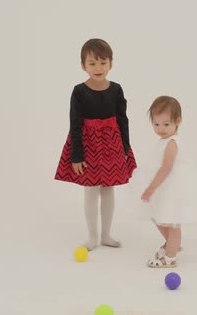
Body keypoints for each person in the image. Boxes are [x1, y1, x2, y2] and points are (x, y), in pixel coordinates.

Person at [55, 38, 136, 251]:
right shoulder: (79, 91)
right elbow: (74, 124)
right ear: (83, 66)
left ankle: (106, 234)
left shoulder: (116, 89)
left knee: (108, 189)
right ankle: (92, 237)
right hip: (88, 145)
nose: (98, 68)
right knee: (91, 190)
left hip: (111, 145)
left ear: (111, 63)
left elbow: (122, 119)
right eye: (92, 63)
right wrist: (76, 156)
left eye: (102, 62)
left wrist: (125, 149)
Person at [141, 96, 197, 268]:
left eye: (166, 124)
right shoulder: (163, 141)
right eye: (156, 124)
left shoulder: (172, 143)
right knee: (158, 216)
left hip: (172, 187)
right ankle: (172, 244)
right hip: (164, 186)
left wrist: (151, 188)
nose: (161, 129)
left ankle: (171, 256)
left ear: (178, 121)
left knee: (172, 220)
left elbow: (166, 168)